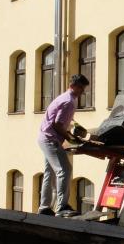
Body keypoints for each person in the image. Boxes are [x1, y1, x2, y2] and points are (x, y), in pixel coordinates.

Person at [37, 74, 89, 217]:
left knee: (50, 172)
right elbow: (59, 125)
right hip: (50, 139)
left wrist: (75, 128)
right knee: (65, 170)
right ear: (73, 86)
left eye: (83, 89)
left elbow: (63, 120)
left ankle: (44, 207)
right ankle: (62, 207)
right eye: (81, 88)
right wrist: (71, 139)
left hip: (44, 138)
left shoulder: (64, 97)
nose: (82, 91)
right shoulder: (68, 102)